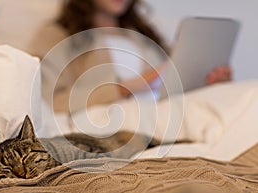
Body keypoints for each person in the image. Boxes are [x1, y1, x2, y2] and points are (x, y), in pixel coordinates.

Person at [31, 0, 231, 113]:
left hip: (167, 110)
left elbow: (169, 85)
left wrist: (209, 82)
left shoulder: (143, 36)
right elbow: (49, 102)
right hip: (120, 117)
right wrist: (125, 88)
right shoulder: (57, 34)